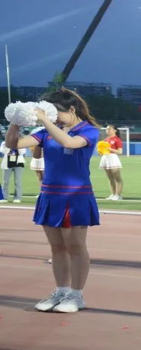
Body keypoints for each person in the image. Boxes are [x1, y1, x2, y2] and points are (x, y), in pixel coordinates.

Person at [4, 88, 100, 313]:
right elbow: (13, 144)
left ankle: (76, 295)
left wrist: (45, 120)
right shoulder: (46, 131)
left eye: (56, 113)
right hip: (50, 194)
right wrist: (16, 121)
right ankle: (61, 290)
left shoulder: (88, 130)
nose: (53, 117)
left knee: (75, 246)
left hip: (75, 196)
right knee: (57, 248)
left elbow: (69, 143)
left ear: (72, 109)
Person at [100, 124, 124, 201]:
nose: (107, 130)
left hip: (113, 159)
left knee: (117, 179)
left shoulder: (117, 139)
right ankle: (113, 194)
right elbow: (103, 150)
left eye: (109, 129)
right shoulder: (106, 140)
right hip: (105, 158)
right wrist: (100, 151)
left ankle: (118, 195)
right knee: (110, 179)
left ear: (115, 130)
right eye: (107, 129)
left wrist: (109, 149)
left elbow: (120, 152)